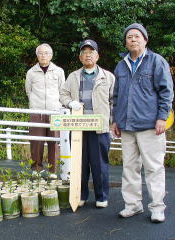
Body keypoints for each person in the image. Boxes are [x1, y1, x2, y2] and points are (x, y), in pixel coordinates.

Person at [112, 23, 174, 223]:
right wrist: (116, 120)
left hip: (150, 126)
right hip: (127, 127)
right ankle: (133, 205)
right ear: (126, 42)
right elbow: (117, 95)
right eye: (129, 37)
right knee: (129, 168)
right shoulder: (121, 65)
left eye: (137, 36)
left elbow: (166, 92)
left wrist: (162, 118)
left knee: (154, 168)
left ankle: (157, 208)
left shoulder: (157, 61)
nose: (133, 40)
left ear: (145, 40)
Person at [60, 39, 115, 208]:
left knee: (99, 164)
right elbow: (63, 94)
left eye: (91, 52)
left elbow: (115, 101)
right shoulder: (73, 76)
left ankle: (101, 197)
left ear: (97, 56)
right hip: (78, 127)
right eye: (84, 52)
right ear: (80, 57)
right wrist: (71, 103)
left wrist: (111, 123)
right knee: (80, 164)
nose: (88, 55)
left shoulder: (108, 77)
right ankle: (80, 195)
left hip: (100, 127)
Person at [25, 43, 65, 179]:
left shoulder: (59, 71)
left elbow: (62, 90)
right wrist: (35, 105)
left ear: (51, 55)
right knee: (36, 142)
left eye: (46, 53)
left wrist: (59, 107)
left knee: (54, 141)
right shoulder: (31, 72)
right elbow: (28, 91)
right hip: (37, 112)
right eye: (40, 53)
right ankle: (36, 169)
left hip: (55, 112)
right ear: (37, 55)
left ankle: (53, 171)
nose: (43, 55)